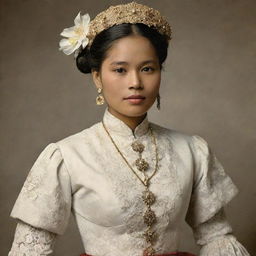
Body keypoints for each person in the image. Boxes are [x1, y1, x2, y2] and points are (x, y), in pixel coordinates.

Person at [8, 2, 251, 256]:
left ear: (160, 71)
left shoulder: (192, 150)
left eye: (147, 69)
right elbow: (31, 249)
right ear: (97, 76)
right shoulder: (67, 156)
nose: (135, 82)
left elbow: (217, 238)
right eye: (120, 70)